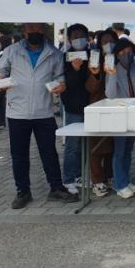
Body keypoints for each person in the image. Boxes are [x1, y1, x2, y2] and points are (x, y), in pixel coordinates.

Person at [0, 23, 77, 209]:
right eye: (31, 30)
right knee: (19, 155)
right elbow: (0, 72)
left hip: (43, 111)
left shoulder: (54, 53)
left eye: (39, 29)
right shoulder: (12, 51)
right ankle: (23, 191)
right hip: (17, 111)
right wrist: (0, 81)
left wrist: (61, 85)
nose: (35, 33)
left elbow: (60, 77)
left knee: (49, 152)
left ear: (44, 31)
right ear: (24, 32)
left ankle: (56, 188)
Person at [105, 38, 135, 198]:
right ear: (117, 54)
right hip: (119, 114)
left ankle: (125, 180)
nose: (126, 55)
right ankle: (119, 184)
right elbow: (110, 94)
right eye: (122, 52)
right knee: (119, 151)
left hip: (134, 112)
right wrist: (113, 76)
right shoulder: (112, 69)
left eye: (129, 52)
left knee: (128, 149)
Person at [85, 29, 118, 197]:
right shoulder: (94, 59)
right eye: (104, 41)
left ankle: (109, 176)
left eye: (111, 41)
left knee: (112, 145)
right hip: (97, 107)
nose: (108, 44)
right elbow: (90, 87)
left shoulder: (119, 58)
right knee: (96, 146)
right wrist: (96, 75)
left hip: (116, 107)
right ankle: (97, 180)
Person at [60, 23, 91, 194]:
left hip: (91, 105)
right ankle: (68, 179)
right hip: (73, 106)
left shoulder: (93, 55)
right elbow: (65, 83)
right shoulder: (65, 57)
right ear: (69, 39)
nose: (79, 39)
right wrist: (74, 69)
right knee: (72, 144)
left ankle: (79, 175)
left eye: (82, 36)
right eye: (75, 36)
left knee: (85, 143)